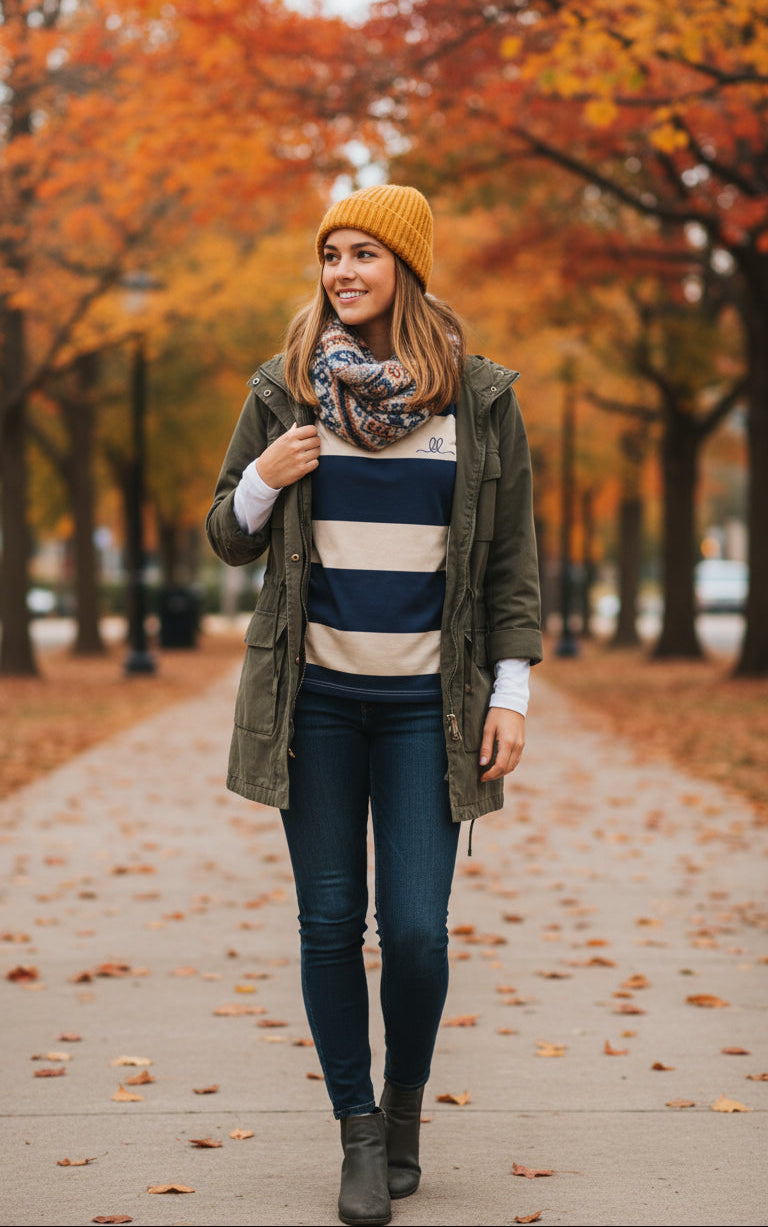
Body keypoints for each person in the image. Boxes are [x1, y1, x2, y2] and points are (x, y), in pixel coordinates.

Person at [205, 183, 542, 1227]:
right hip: (314, 704)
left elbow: (511, 567)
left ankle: (404, 1110)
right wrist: (262, 477)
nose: (343, 272)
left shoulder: (477, 401)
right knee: (328, 924)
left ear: (408, 268)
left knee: (418, 932)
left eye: (366, 255)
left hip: (424, 711)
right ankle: (357, 1132)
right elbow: (227, 531)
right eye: (331, 254)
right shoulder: (287, 393)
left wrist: (513, 691)